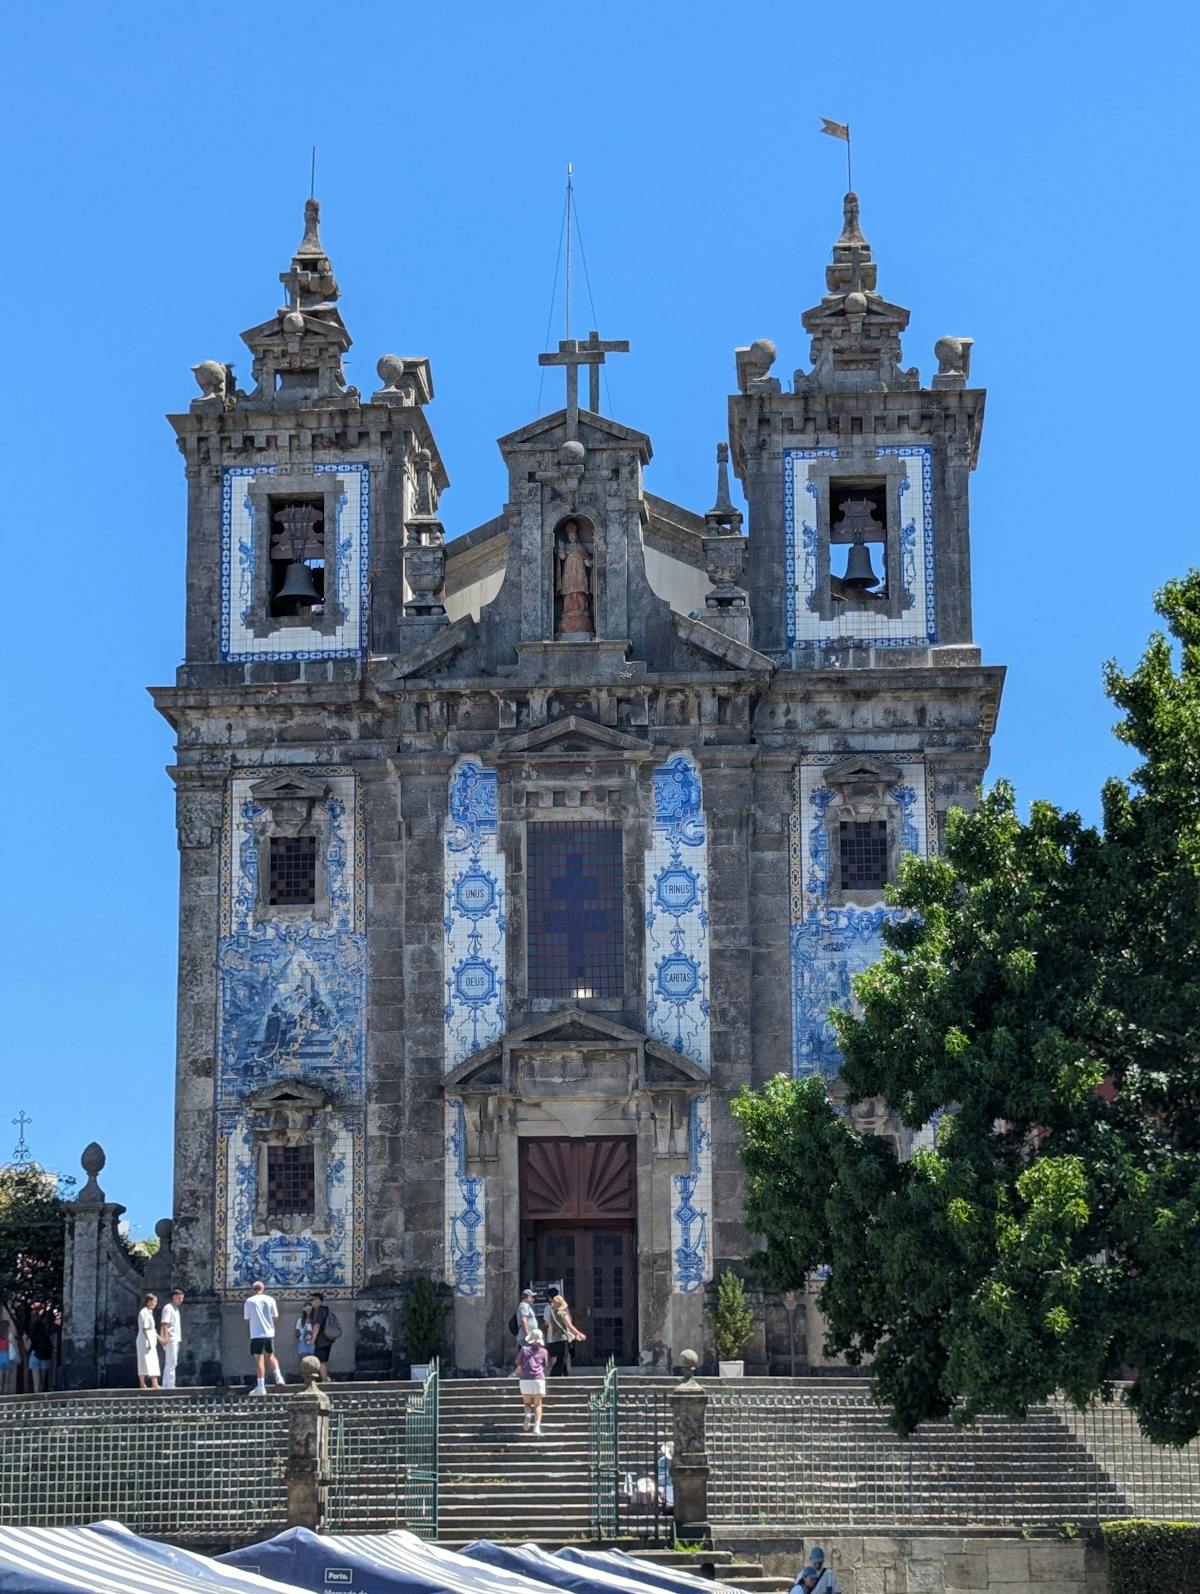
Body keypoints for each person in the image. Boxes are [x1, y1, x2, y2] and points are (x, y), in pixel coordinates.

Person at [243, 1279, 285, 1395]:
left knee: (259, 1360)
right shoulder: (270, 1300)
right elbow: (275, 1317)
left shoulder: (249, 1301)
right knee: (271, 1356)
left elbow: (246, 1318)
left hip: (256, 1334)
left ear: (253, 1290)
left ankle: (261, 1387)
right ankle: (279, 1377)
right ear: (263, 1288)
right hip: (269, 1333)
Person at [515, 1326, 549, 1436]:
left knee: (527, 1403)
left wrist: (514, 1375)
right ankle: (537, 1427)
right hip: (538, 1379)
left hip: (525, 1379)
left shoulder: (524, 1350)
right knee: (538, 1404)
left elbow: (519, 1367)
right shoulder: (544, 1352)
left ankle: (528, 1415)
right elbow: (544, 1366)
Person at [544, 1292, 586, 1377]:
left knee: (560, 1358)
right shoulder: (563, 1313)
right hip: (563, 1338)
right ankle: (554, 1376)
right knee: (562, 1359)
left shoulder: (553, 1313)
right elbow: (569, 1326)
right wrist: (579, 1334)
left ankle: (559, 1375)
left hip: (555, 1338)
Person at [296, 1292, 334, 1382]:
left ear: (317, 1300)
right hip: (321, 1341)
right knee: (319, 1361)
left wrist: (312, 1339)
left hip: (320, 1341)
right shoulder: (325, 1310)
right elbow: (297, 1332)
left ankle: (325, 1379)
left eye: (312, 1300)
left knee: (320, 1361)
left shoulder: (320, 1311)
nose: (311, 1302)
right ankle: (324, 1379)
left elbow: (317, 1326)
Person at [159, 1288, 184, 1389]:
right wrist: (165, 1338)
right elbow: (164, 1324)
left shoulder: (175, 1309)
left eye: (182, 1298)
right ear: (174, 1297)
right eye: (179, 1298)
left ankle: (166, 1384)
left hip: (175, 1338)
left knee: (171, 1362)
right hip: (170, 1338)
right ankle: (170, 1385)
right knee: (172, 1362)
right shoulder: (168, 1308)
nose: (181, 1300)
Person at [27, 1305, 55, 1394]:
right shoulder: (46, 1336)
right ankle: (41, 1393)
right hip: (44, 1357)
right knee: (42, 1378)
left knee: (36, 1379)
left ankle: (36, 1394)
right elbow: (50, 1347)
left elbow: (29, 1347)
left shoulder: (32, 1335)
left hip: (34, 1355)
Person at [136, 1294, 160, 1390]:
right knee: (143, 1360)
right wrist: (148, 1340)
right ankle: (143, 1383)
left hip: (149, 1337)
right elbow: (145, 1328)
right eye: (154, 1301)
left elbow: (152, 1329)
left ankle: (154, 1382)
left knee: (153, 1360)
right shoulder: (144, 1312)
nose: (156, 1303)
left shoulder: (149, 1312)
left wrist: (159, 1338)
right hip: (145, 1338)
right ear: (149, 1301)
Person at [0, 1313, 13, 1396]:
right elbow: (12, 1346)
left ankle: (0, 1393)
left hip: (0, 1357)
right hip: (8, 1357)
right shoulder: (9, 1335)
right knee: (7, 1380)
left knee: (0, 1379)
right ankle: (6, 1393)